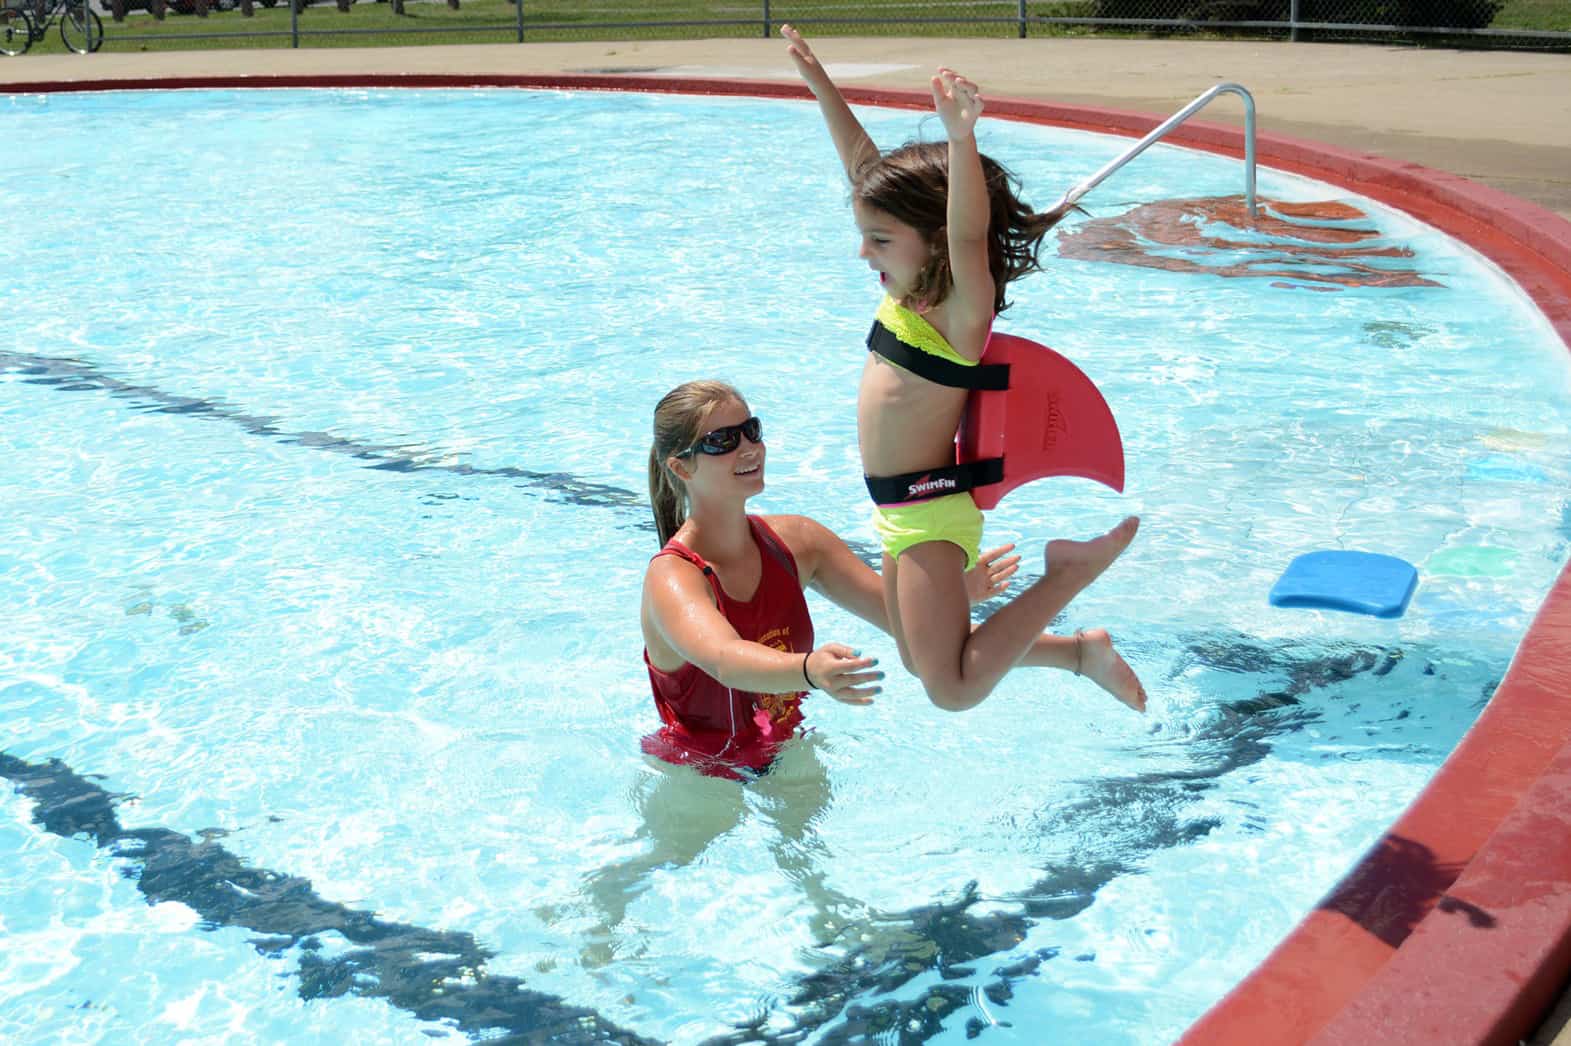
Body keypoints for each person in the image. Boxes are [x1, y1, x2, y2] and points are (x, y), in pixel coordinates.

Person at [783, 26, 1145, 714]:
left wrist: (960, 139)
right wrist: (820, 86)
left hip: (928, 511)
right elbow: (866, 171)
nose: (865, 254)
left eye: (881, 241)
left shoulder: (957, 313)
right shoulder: (907, 293)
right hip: (898, 508)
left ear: (932, 241)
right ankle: (1079, 652)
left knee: (949, 689)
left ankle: (1065, 579)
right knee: (921, 659)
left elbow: (968, 234)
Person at [642, 380, 1143, 785]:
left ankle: (1078, 654)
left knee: (820, 893)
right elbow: (725, 660)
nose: (749, 447)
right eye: (722, 441)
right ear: (680, 466)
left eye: (751, 430)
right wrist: (810, 670)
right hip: (699, 778)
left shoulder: (797, 542)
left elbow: (902, 622)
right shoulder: (674, 578)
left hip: (790, 749)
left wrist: (952, 595)